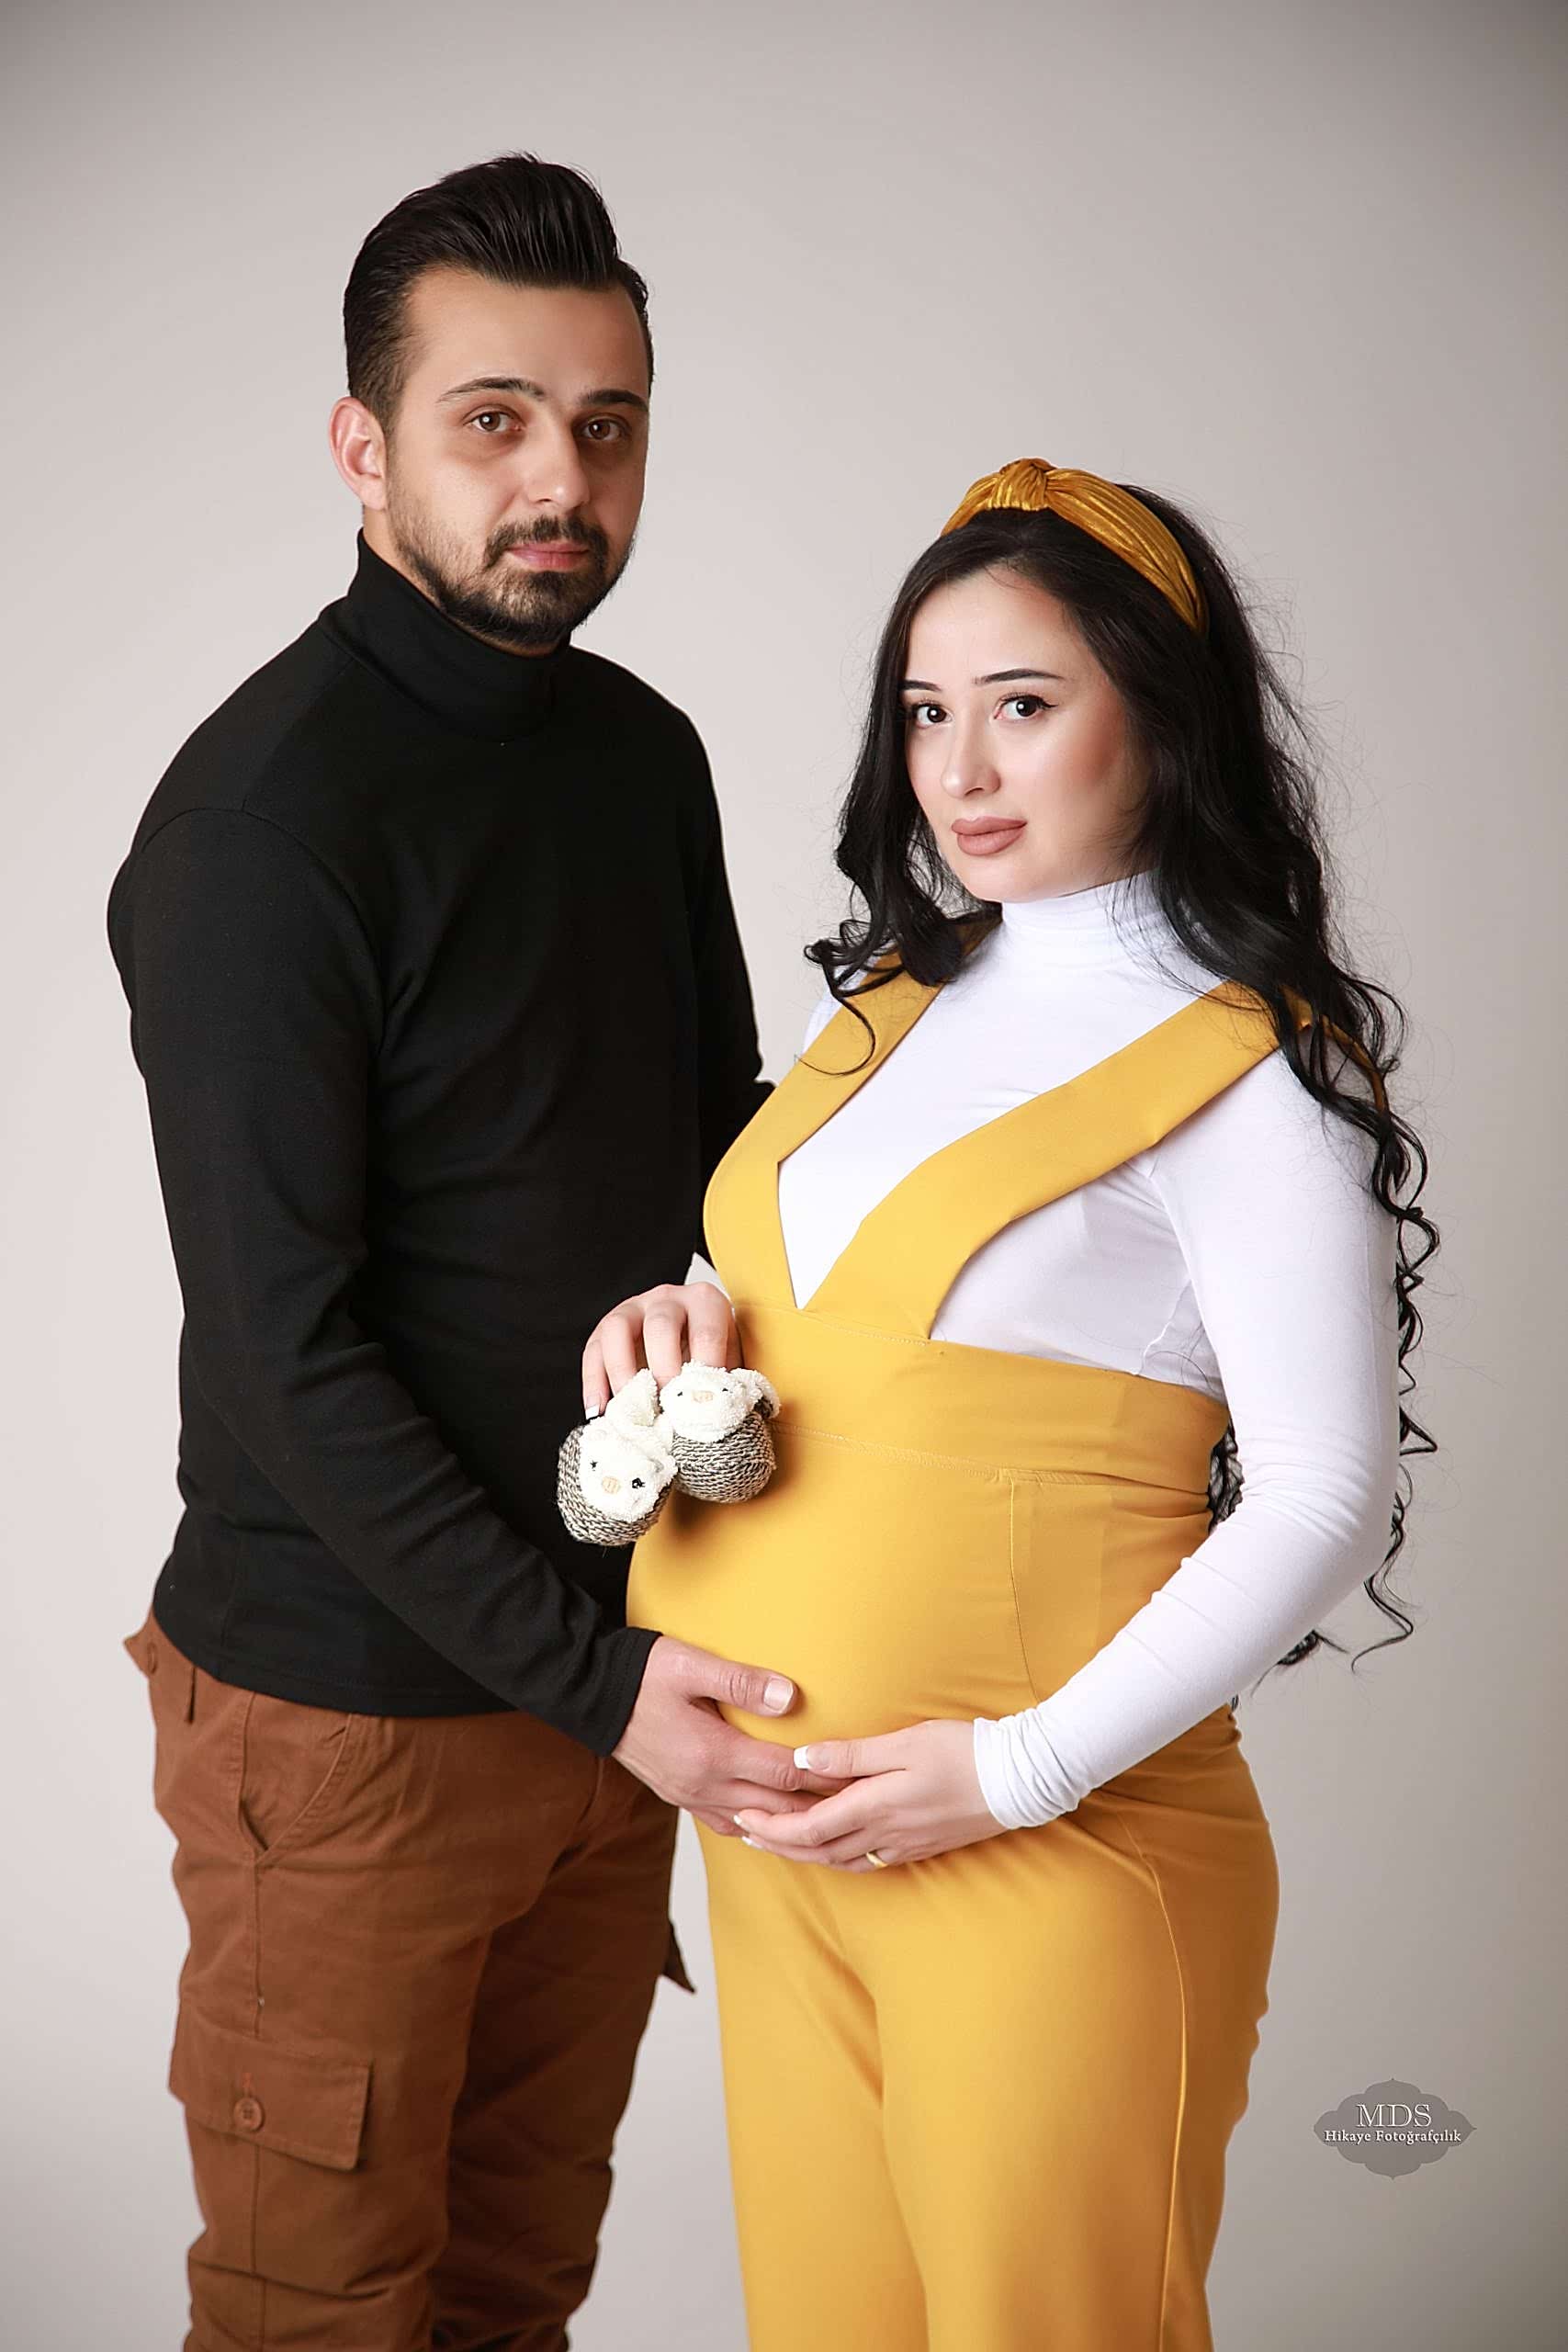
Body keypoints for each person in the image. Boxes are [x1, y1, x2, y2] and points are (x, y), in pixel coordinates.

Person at [586, 458, 1438, 2349]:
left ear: (1166, 715)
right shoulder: (894, 1003)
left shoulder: (1254, 1068)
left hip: (1045, 1856)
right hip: (781, 1848)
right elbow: (809, 1310)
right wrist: (673, 1319)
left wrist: (1011, 1772)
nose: (959, 769)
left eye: (1024, 705)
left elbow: (1323, 1495)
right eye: (924, 711)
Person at [107, 151, 821, 2350]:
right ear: (364, 447)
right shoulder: (264, 823)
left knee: (516, 2295)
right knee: (323, 2315)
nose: (559, 482)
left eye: (605, 424)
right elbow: (286, 1352)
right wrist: (602, 1684)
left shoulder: (640, 757)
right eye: (491, 419)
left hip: (611, 1693)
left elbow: (723, 1170)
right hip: (349, 1725)